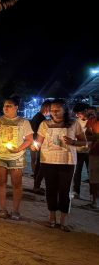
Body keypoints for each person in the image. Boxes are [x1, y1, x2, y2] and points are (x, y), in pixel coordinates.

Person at [31, 99, 86, 232]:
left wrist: (73, 142)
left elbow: (84, 142)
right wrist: (34, 147)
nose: (54, 113)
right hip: (48, 161)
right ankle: (52, 218)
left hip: (67, 162)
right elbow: (38, 143)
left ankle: (63, 221)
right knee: (50, 190)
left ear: (65, 110)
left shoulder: (73, 124)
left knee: (64, 191)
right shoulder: (45, 124)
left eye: (57, 110)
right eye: (52, 110)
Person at [0, 97, 33, 220]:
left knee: (16, 184)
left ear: (16, 107)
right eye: (4, 106)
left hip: (16, 157)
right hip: (0, 155)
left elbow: (29, 140)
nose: (5, 108)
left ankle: (16, 211)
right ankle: (2, 209)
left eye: (9, 106)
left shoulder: (23, 122)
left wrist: (18, 149)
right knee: (1, 182)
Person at [30, 100, 51, 194]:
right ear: (46, 107)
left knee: (39, 165)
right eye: (50, 109)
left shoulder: (37, 116)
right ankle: (36, 186)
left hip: (37, 144)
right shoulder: (41, 119)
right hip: (40, 144)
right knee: (41, 166)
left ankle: (36, 185)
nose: (50, 111)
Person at [72, 103, 90, 199]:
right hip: (79, 151)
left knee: (91, 172)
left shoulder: (92, 121)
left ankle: (93, 194)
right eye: (76, 114)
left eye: (79, 113)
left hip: (90, 151)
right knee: (77, 171)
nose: (77, 115)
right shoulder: (76, 122)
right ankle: (76, 191)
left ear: (85, 111)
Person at [86, 108, 99, 208]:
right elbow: (87, 136)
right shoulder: (92, 120)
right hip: (94, 153)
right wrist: (94, 136)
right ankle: (94, 200)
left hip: (94, 152)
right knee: (93, 178)